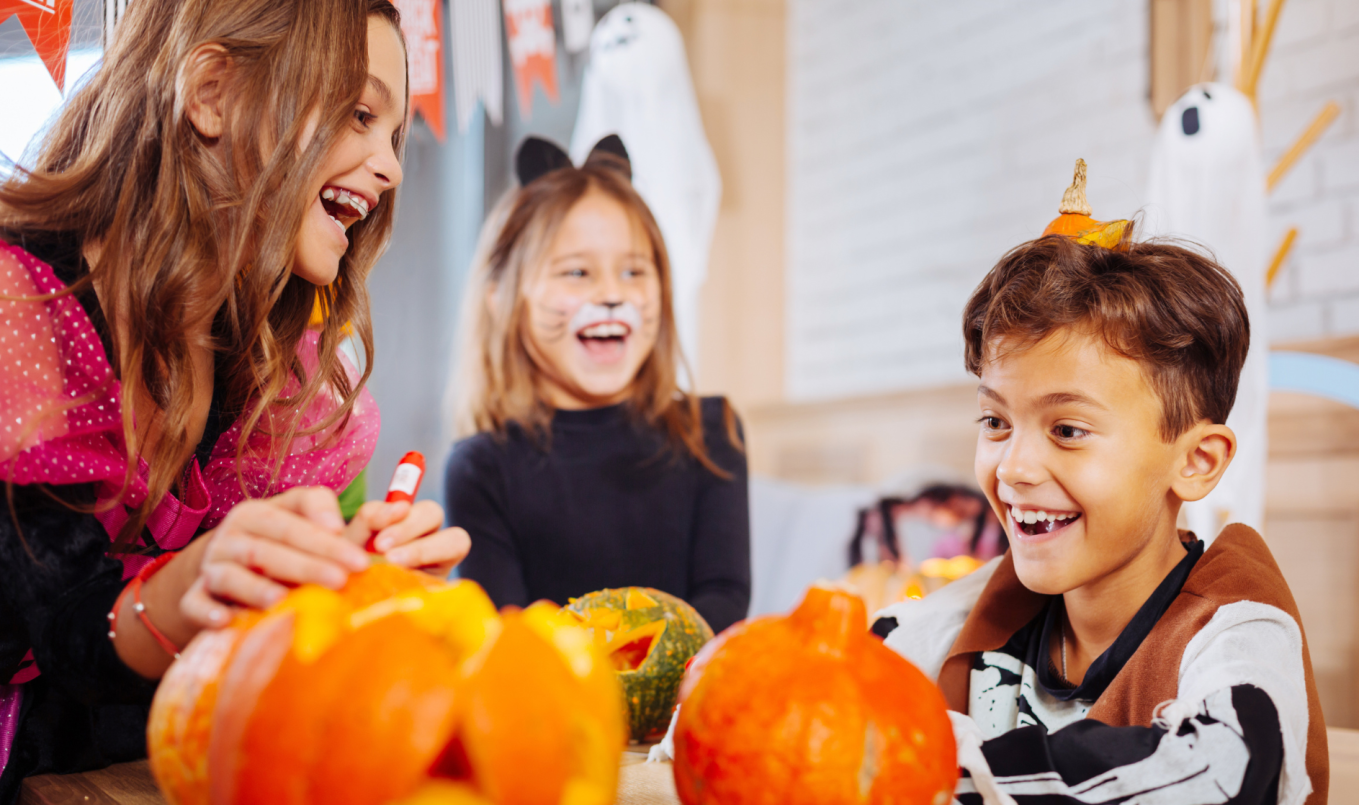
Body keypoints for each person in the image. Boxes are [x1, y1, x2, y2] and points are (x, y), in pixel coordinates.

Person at [0, 2, 469, 799]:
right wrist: (189, 587)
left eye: (394, 136)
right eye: (360, 113)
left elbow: (204, 673)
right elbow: (62, 626)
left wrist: (338, 582)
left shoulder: (263, 358)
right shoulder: (21, 306)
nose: (391, 167)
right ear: (212, 92)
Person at [872, 173, 1326, 803]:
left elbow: (1220, 770)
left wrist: (924, 765)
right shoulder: (977, 611)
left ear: (1196, 461)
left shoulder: (1237, 628)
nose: (1014, 468)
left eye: (1068, 429)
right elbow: (845, 679)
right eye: (996, 422)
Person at [443, 135, 750, 635]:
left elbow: (725, 598)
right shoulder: (480, 468)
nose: (611, 294)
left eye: (634, 271)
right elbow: (510, 641)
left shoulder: (712, 432)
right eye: (577, 272)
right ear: (501, 300)